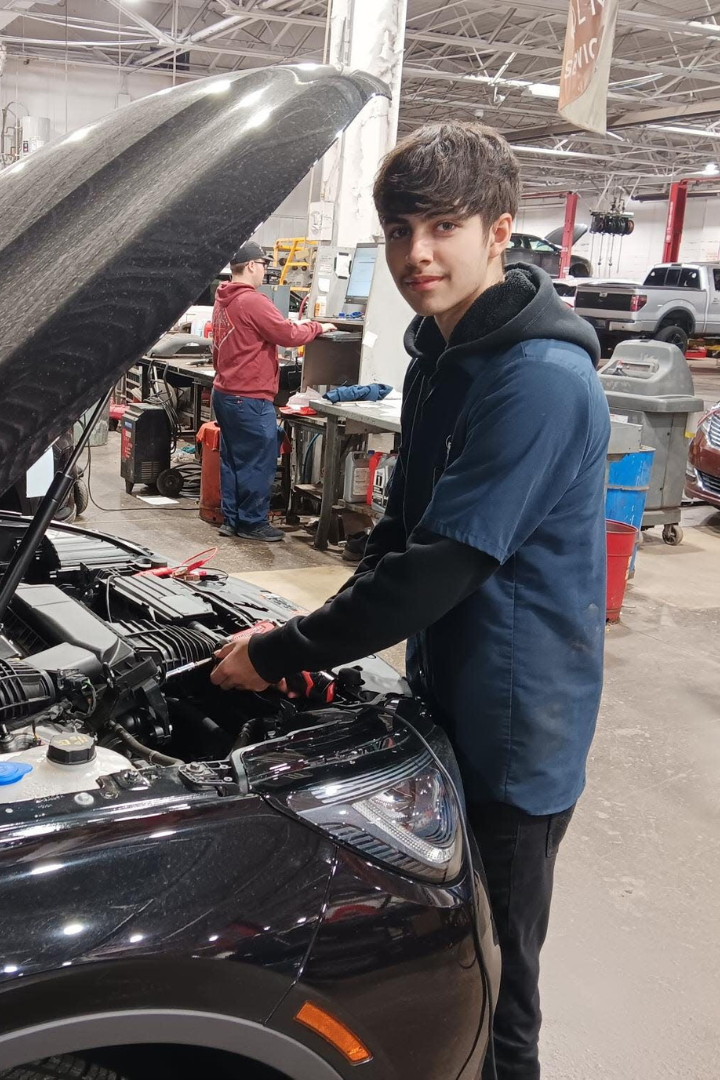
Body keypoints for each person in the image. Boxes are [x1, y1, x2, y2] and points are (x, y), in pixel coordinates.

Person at [211, 123, 609, 1080]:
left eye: (443, 227)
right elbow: (397, 537)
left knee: (503, 982)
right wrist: (312, 629)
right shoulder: (441, 351)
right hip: (446, 689)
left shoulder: (541, 382)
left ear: (500, 230)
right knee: (448, 957)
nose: (416, 255)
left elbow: (438, 569)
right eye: (399, 231)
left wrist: (283, 653)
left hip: (516, 727)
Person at [211, 240, 335, 542]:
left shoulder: (223, 298)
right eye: (264, 265)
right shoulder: (252, 300)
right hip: (249, 397)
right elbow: (288, 334)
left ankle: (233, 520)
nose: (265, 271)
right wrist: (318, 327)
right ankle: (253, 523)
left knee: (233, 460)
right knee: (258, 460)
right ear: (252, 265)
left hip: (225, 393)